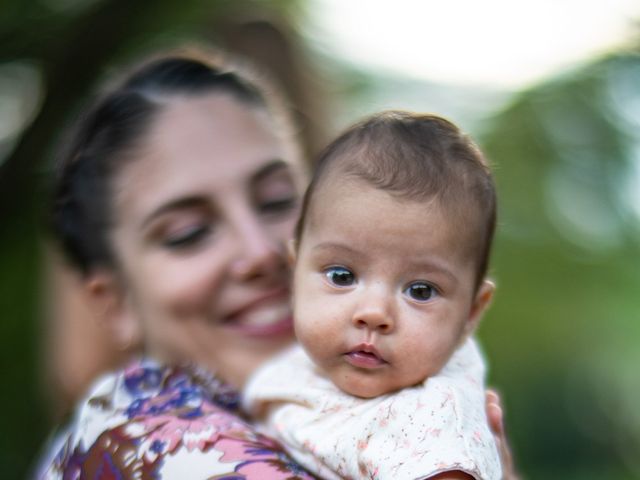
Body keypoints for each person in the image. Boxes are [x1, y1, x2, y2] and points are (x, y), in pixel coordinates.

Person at [36, 47, 518, 479]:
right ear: (116, 302)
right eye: (188, 233)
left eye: (276, 200)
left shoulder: (328, 400)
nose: (263, 252)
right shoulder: (160, 448)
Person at [244, 111, 501, 479]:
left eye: (420, 291)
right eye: (342, 275)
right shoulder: (292, 370)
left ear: (470, 315)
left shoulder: (436, 423)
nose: (373, 312)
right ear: (295, 271)